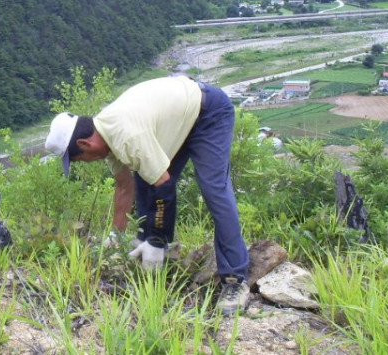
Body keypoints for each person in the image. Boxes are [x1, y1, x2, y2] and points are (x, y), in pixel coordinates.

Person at [44, 75, 250, 314]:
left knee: (214, 190)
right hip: (179, 117)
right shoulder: (106, 135)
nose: (84, 163)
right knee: (143, 177)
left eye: (79, 159)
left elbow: (164, 186)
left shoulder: (127, 136)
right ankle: (148, 249)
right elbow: (125, 186)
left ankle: (235, 280)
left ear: (85, 144)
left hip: (208, 112)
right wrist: (116, 236)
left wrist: (156, 240)